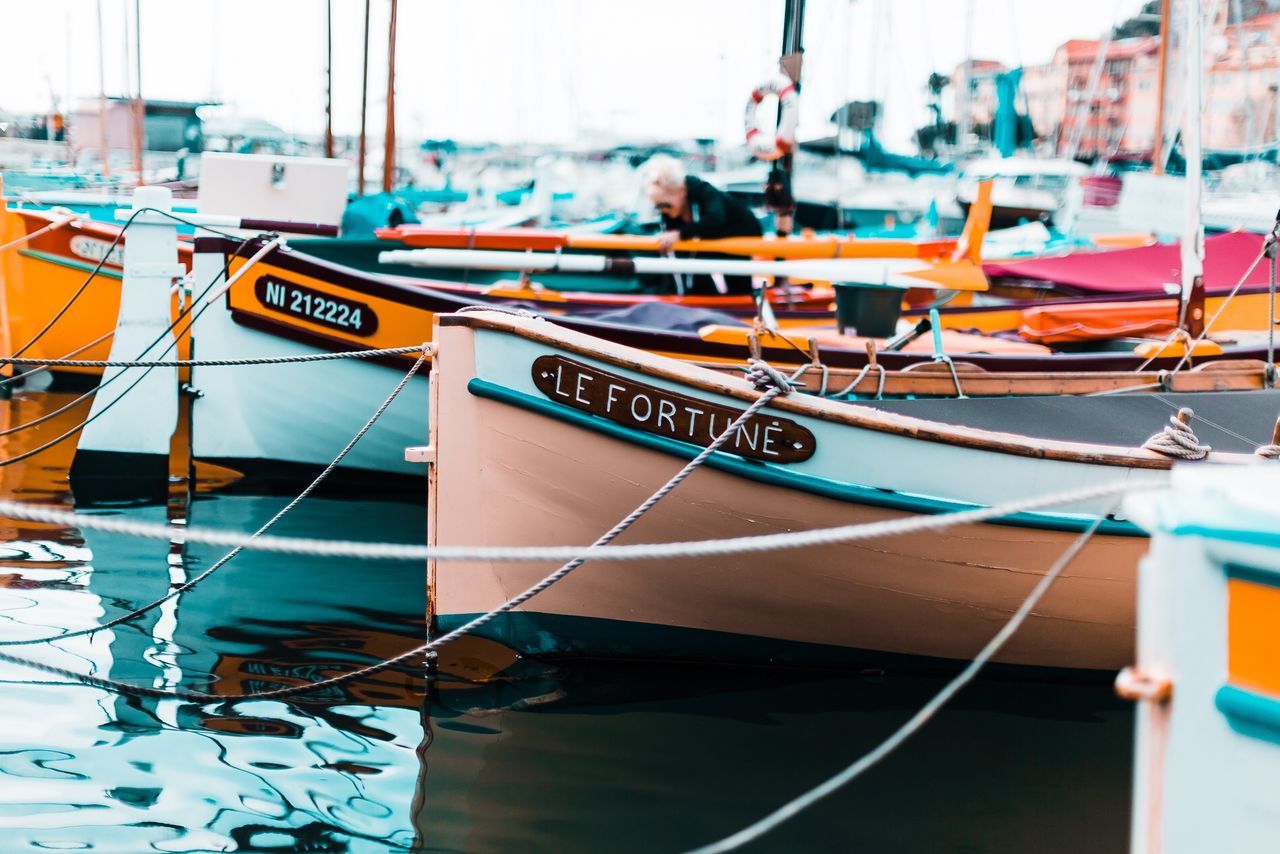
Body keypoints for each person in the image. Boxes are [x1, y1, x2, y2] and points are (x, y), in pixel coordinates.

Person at [640, 154, 763, 295]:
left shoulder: (704, 191)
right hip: (711, 242)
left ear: (681, 191)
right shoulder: (671, 210)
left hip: (741, 235)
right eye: (658, 207)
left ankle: (736, 302)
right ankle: (696, 296)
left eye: (665, 205)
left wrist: (680, 234)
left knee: (737, 283)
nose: (663, 211)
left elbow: (715, 221)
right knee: (690, 259)